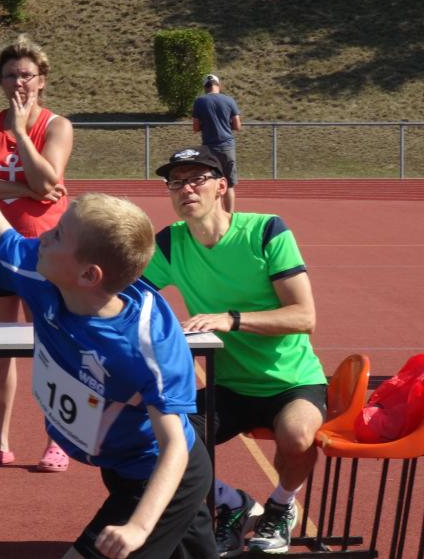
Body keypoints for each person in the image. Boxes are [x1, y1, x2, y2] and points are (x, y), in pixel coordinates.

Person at [0, 71, 216, 559]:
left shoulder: (146, 341)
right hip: (121, 466)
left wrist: (136, 528)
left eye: (59, 234)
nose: (43, 235)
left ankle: (219, 504)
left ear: (88, 274)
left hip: (162, 477)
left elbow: (174, 445)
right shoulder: (40, 272)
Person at [142, 146, 327, 556]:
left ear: (221, 186)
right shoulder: (170, 243)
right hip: (229, 385)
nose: (186, 189)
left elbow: (304, 315)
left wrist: (232, 318)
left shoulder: (266, 231)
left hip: (291, 381)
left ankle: (281, 505)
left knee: (297, 435)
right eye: (176, 182)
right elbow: (130, 294)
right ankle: (231, 502)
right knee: (157, 435)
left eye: (197, 179)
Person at [0, 36, 74, 471]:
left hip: (43, 249)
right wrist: (27, 189)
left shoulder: (57, 126)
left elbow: (48, 181)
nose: (18, 82)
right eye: (10, 75)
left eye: (26, 75)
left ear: (41, 80)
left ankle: (58, 440)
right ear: (0, 81)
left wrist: (20, 134)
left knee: (52, 345)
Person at [192, 74, 242, 213]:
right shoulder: (229, 100)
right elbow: (237, 126)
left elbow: (195, 127)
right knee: (229, 185)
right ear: (218, 85)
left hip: (209, 148)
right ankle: (229, 215)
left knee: (212, 183)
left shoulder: (199, 101)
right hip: (227, 146)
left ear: (205, 87)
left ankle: (214, 214)